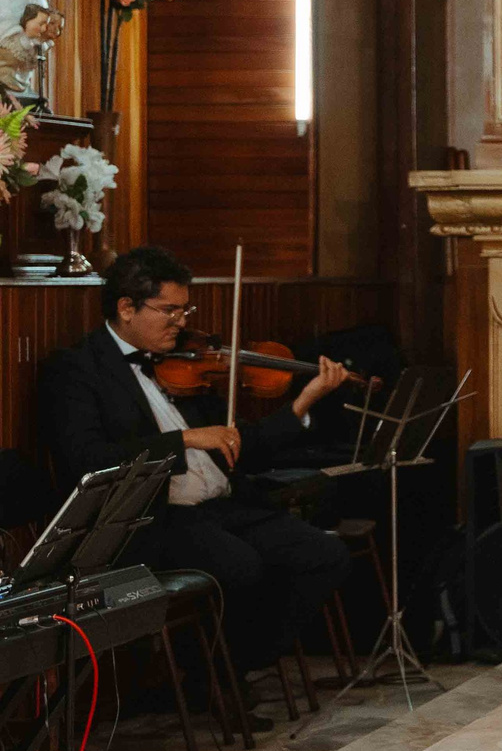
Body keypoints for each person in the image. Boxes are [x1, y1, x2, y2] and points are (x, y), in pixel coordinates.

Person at [38, 245, 356, 680]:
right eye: (169, 311)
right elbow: (87, 459)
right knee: (241, 566)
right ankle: (201, 680)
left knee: (324, 553)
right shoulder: (76, 369)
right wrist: (184, 438)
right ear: (126, 308)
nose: (182, 323)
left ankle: (234, 665)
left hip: (223, 507)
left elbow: (243, 444)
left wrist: (302, 402)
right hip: (155, 520)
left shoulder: (185, 362)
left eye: (185, 310)